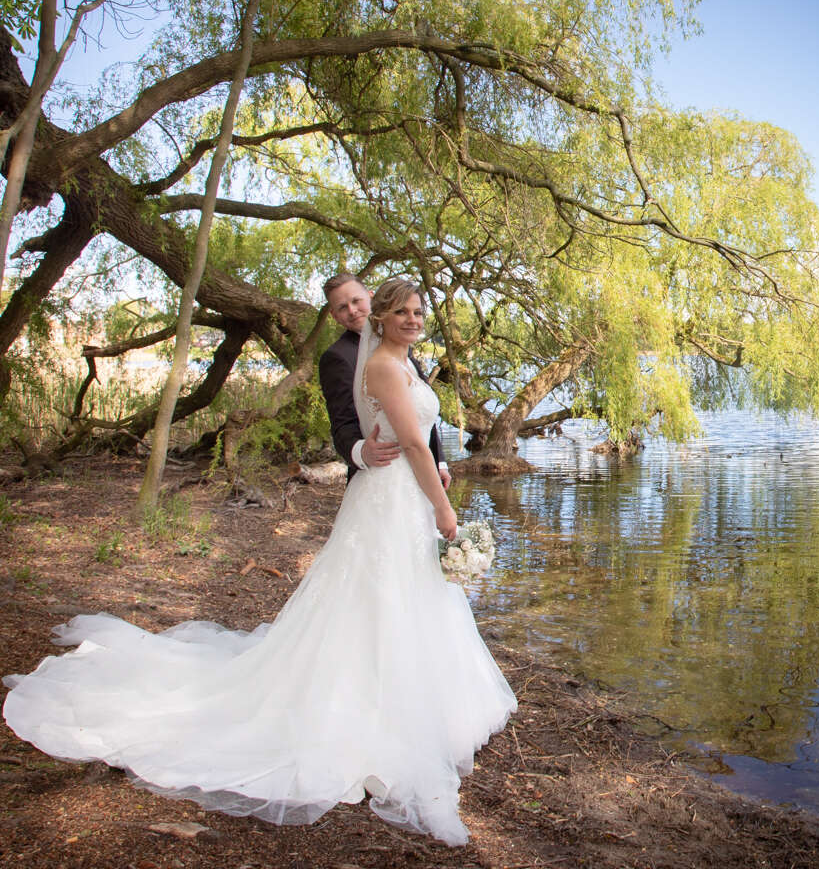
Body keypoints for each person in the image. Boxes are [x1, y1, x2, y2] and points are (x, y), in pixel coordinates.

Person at [2, 279, 516, 846]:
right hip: (389, 494)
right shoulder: (367, 363)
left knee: (405, 593)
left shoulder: (401, 357)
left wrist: (438, 471)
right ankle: (368, 707)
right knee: (374, 595)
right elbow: (382, 435)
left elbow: (423, 434)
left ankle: (419, 697)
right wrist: (431, 499)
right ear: (379, 317)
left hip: (407, 492)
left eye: (417, 311)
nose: (412, 319)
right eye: (403, 312)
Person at [318, 272, 451, 488]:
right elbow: (342, 422)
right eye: (342, 307)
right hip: (381, 473)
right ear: (333, 315)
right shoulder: (337, 357)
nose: (352, 310)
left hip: (422, 471)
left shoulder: (401, 342)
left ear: (371, 297)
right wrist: (361, 451)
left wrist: (440, 462)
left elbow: (420, 410)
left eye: (356, 301)